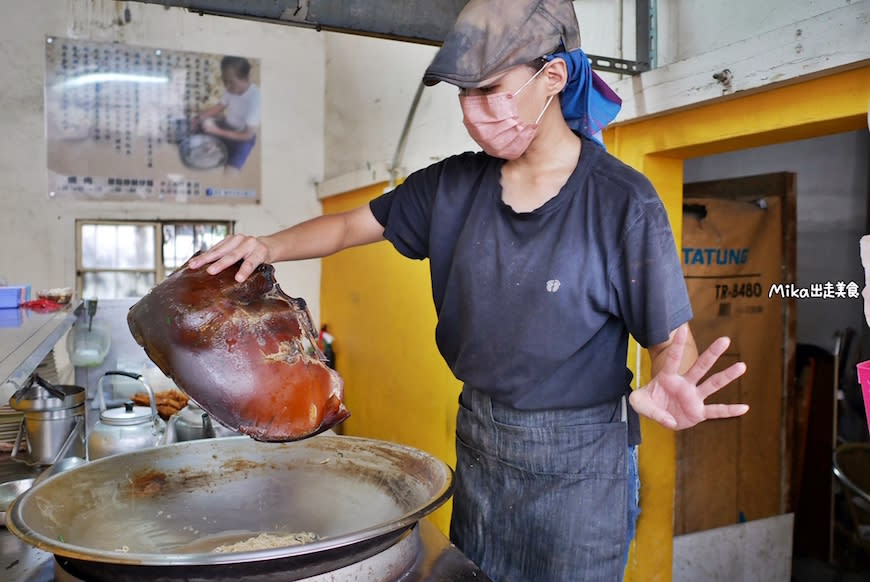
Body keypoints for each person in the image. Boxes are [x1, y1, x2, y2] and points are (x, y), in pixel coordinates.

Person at [188, 1, 749, 580]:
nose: (475, 113)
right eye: (464, 94)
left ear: (551, 78)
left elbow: (668, 332)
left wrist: (670, 372)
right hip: (480, 437)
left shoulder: (621, 201)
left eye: (490, 90)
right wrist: (267, 247)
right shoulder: (451, 186)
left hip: (583, 458)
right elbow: (350, 225)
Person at [192, 55, 260, 171]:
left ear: (245, 78)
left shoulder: (256, 99)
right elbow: (219, 107)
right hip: (227, 125)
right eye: (224, 81)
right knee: (200, 127)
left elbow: (247, 135)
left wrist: (216, 131)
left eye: (231, 82)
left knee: (230, 171)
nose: (227, 86)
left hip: (243, 138)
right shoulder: (230, 89)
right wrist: (199, 118)